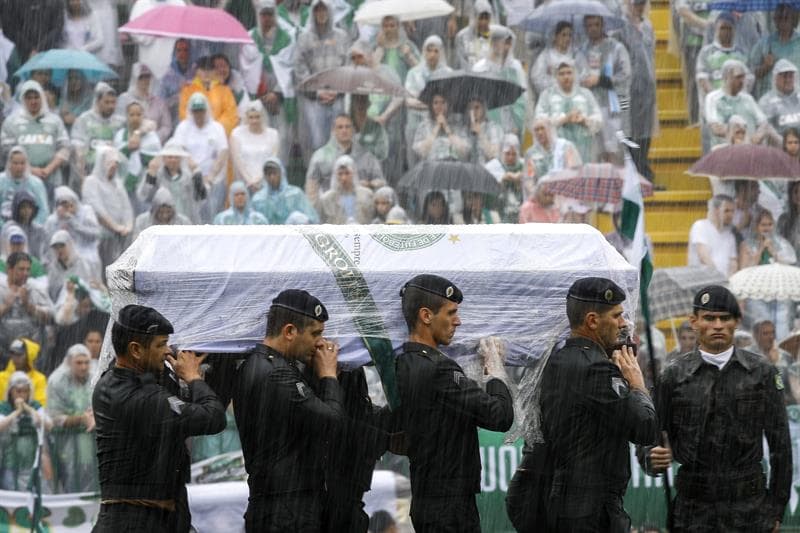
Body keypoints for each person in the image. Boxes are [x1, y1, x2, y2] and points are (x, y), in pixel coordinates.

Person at [640, 285, 791, 532]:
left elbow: (781, 448)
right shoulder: (673, 376)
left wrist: (776, 510)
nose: (718, 325)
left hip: (750, 510)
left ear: (737, 321)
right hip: (693, 511)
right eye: (709, 318)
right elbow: (649, 437)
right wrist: (651, 458)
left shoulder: (762, 373)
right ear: (694, 322)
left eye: (725, 318)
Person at [532, 277, 657, 531]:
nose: (623, 324)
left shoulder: (558, 359)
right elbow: (645, 427)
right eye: (617, 316)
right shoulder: (596, 369)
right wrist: (637, 384)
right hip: (592, 509)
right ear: (592, 321)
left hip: (563, 499)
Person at [394, 274, 513, 531]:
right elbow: (500, 416)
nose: (458, 321)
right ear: (426, 316)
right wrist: (494, 370)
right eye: (451, 313)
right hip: (449, 507)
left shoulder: (404, 363)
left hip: (429, 497)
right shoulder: (439, 370)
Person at [92, 305, 226, 532]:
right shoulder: (144, 398)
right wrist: (193, 378)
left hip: (133, 519)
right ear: (135, 350)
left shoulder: (110, 382)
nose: (168, 352)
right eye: (160, 344)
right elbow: (213, 418)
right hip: (139, 523)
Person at [231, 289, 344, 532]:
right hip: (288, 511)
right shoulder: (277, 373)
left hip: (273, 504)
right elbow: (332, 422)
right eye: (315, 334)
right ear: (289, 331)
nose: (320, 343)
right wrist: (328, 376)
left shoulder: (255, 364)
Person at [240, 0, 296, 163]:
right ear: (259, 16)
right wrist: (263, 94)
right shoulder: (250, 37)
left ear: (275, 16)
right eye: (263, 15)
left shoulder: (286, 38)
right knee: (259, 134)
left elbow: (290, 67)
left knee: (282, 137)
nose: (266, 18)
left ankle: (280, 170)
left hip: (280, 98)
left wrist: (276, 93)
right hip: (258, 97)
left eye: (270, 14)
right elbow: (247, 68)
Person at [294, 0, 349, 156]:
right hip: (313, 99)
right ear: (312, 13)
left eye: (324, 10)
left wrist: (337, 90)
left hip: (337, 97)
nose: (321, 14)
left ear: (330, 12)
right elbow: (299, 67)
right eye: (317, 11)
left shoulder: (342, 36)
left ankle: (337, 174)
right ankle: (318, 176)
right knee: (317, 142)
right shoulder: (304, 38)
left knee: (339, 139)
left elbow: (347, 65)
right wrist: (317, 91)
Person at [0, 80, 69, 191]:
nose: (33, 101)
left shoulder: (55, 120)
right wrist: (30, 170)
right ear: (22, 99)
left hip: (51, 178)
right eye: (29, 98)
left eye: (36, 97)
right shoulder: (11, 122)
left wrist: (48, 169)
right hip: (20, 181)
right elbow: (6, 152)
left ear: (42, 98)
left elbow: (65, 148)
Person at [46, 343, 97, 493]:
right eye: (79, 363)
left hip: (93, 443)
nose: (83, 367)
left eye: (86, 362)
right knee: (72, 483)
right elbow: (54, 418)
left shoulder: (95, 375)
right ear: (69, 363)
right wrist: (81, 419)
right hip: (67, 444)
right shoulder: (57, 381)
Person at [169, 93, 229, 220]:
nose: (198, 114)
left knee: (212, 216)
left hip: (213, 181)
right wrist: (196, 174)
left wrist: (210, 177)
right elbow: (180, 150)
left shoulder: (217, 128)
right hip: (189, 180)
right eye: (195, 110)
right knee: (190, 216)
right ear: (191, 111)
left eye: (201, 110)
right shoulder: (183, 127)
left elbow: (223, 153)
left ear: (206, 110)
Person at [305, 114, 384, 204]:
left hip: (361, 207)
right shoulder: (320, 156)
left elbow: (381, 183)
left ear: (353, 130)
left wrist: (369, 185)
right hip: (330, 208)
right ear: (333, 131)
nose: (344, 130)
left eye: (348, 127)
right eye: (340, 127)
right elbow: (311, 188)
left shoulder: (367, 156)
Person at [618, 0, 657, 180]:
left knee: (645, 129)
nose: (639, 7)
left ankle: (642, 165)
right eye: (636, 3)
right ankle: (634, 169)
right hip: (629, 87)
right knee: (630, 128)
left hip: (647, 86)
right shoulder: (621, 26)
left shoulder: (647, 26)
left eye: (642, 3)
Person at [535, 60, 602, 164]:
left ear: (575, 74)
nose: (566, 77)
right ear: (555, 76)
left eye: (569, 73)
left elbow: (599, 120)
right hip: (557, 152)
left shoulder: (586, 94)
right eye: (561, 74)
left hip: (583, 149)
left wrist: (584, 120)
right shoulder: (547, 95)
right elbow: (539, 121)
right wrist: (564, 119)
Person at [81, 146, 134, 269]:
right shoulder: (91, 182)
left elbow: (126, 207)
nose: (113, 167)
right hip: (99, 237)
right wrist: (115, 227)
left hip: (119, 237)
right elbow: (97, 209)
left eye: (115, 164)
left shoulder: (118, 184)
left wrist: (128, 225)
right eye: (110, 163)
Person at [405, 35, 451, 169]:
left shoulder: (448, 74)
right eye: (429, 50)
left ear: (441, 53)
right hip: (415, 122)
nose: (432, 55)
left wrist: (425, 102)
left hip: (440, 123)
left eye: (436, 51)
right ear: (423, 51)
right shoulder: (413, 73)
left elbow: (451, 99)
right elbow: (408, 101)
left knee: (437, 161)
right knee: (414, 162)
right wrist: (434, 104)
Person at [471, 26, 527, 138]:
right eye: (499, 42)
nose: (503, 47)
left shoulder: (515, 68)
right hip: (487, 128)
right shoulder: (480, 68)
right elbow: (474, 100)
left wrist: (517, 125)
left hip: (511, 127)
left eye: (507, 43)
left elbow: (522, 97)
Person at [0, 371, 51, 491]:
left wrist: (27, 409)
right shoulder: (4, 407)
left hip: (33, 463)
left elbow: (48, 424)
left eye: (25, 391)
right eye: (18, 391)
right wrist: (17, 412)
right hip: (10, 463)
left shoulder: (35, 405)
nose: (21, 395)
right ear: (11, 391)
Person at [705, 60, 769, 150]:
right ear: (726, 77)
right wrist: (742, 137)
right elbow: (716, 129)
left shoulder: (748, 98)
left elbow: (764, 123)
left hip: (749, 152)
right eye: (738, 77)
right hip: (724, 153)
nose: (742, 81)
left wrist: (758, 135)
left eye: (743, 77)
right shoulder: (713, 98)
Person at [137, 142, 206, 225]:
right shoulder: (157, 175)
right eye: (170, 157)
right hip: (162, 221)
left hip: (185, 221)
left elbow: (201, 197)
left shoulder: (188, 176)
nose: (173, 160)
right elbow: (145, 197)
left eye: (176, 157)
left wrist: (196, 174)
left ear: (181, 159)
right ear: (164, 158)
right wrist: (151, 175)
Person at [71, 82, 126, 182]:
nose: (110, 106)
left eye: (113, 102)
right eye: (107, 102)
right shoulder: (84, 119)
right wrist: (82, 171)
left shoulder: (120, 122)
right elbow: (77, 144)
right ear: (97, 102)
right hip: (88, 171)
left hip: (112, 174)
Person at [44, 186, 102, 279]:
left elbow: (95, 234)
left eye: (70, 204)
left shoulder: (86, 211)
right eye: (64, 205)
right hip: (62, 255)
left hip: (86, 251)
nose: (68, 208)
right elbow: (49, 244)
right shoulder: (52, 220)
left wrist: (74, 223)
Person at [114, 101, 162, 213]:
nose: (135, 118)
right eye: (132, 115)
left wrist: (140, 153)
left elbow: (156, 159)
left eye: (138, 115)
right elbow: (116, 156)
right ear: (127, 116)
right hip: (124, 182)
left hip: (146, 182)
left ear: (143, 116)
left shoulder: (152, 136)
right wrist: (128, 148)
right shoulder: (120, 134)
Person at [0, 254, 53, 349]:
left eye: (28, 269)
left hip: (32, 350)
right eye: (21, 269)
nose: (26, 273)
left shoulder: (36, 288)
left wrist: (28, 305)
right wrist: (5, 306)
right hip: (3, 350)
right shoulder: (1, 289)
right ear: (9, 269)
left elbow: (51, 319)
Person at [178, 56, 239, 137]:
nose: (206, 73)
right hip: (193, 135)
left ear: (214, 71)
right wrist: (199, 128)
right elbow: (184, 113)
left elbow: (231, 114)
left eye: (210, 69)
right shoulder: (187, 90)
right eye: (203, 69)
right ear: (197, 71)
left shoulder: (225, 90)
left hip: (217, 135)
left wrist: (215, 129)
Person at [749, 3, 800, 100]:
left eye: (786, 17)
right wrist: (765, 67)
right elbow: (751, 74)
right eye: (779, 18)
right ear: (775, 20)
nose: (783, 21)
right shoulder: (765, 43)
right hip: (770, 99)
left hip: (797, 98)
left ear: (793, 19)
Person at [116, 63, 173, 145]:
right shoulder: (124, 99)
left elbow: (167, 126)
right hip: (129, 143)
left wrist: (153, 138)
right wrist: (133, 135)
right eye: (141, 77)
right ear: (135, 78)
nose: (145, 80)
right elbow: (119, 122)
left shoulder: (159, 102)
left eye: (147, 77)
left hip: (153, 145)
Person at [251, 158, 319, 225]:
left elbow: (312, 218)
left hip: (292, 233)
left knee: (296, 217)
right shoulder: (258, 198)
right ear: (265, 176)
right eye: (268, 174)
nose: (272, 177)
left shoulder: (295, 194)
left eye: (274, 173)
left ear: (281, 173)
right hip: (267, 234)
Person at [229, 100, 279, 190]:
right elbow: (238, 160)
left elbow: (272, 159)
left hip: (266, 182)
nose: (254, 121)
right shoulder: (237, 134)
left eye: (257, 117)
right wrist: (250, 181)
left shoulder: (273, 134)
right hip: (244, 183)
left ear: (262, 116)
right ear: (246, 118)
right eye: (251, 117)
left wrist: (259, 180)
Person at [688, 194, 738, 277]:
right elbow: (703, 256)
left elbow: (733, 261)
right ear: (715, 210)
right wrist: (717, 277)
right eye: (726, 211)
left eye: (733, 211)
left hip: (723, 283)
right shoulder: (700, 226)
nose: (731, 215)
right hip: (702, 281)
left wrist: (729, 278)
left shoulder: (730, 235)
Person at [524, 117, 582, 188]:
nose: (540, 132)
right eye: (536, 130)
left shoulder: (566, 147)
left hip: (565, 192)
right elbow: (529, 179)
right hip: (543, 195)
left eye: (542, 128)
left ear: (550, 129)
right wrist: (536, 193)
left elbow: (574, 172)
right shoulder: (531, 153)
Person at [316, 155, 375, 224]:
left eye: (347, 173)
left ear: (354, 173)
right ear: (335, 175)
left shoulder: (366, 195)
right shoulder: (327, 199)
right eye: (340, 174)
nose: (344, 178)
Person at [412, 92, 469, 162]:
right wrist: (436, 128)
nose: (439, 106)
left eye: (443, 102)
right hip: (431, 166)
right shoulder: (423, 126)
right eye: (436, 103)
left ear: (448, 104)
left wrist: (447, 128)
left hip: (453, 166)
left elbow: (464, 151)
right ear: (431, 106)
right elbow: (421, 152)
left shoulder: (458, 124)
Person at [0, 146, 49, 225]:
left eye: (22, 163)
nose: (19, 167)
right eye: (15, 163)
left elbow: (43, 210)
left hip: (30, 227)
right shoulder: (1, 181)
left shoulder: (36, 183)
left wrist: (32, 227)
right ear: (9, 164)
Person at [46, 229, 98, 303]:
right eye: (55, 247)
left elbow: (88, 289)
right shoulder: (53, 268)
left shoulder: (82, 264)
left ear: (69, 245)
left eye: (62, 246)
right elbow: (51, 292)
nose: (59, 250)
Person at [530, 21, 579, 96]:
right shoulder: (546, 55)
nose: (567, 38)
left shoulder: (576, 54)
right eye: (564, 35)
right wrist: (556, 85)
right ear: (555, 36)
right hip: (552, 98)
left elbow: (584, 75)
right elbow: (536, 77)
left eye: (570, 35)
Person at [484, 134, 523, 223]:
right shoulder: (493, 166)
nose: (510, 157)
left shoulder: (522, 165)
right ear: (502, 152)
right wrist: (505, 178)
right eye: (507, 154)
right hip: (497, 209)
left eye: (514, 154)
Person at [759, 59, 800, 138]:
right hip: (779, 146)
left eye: (790, 76)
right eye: (784, 76)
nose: (788, 80)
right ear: (775, 78)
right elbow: (764, 129)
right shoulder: (766, 102)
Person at [0, 338, 48, 405]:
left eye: (19, 355)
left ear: (29, 356)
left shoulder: (39, 379)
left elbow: (41, 405)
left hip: (29, 414)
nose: (15, 358)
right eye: (13, 354)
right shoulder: (1, 377)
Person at [160, 39, 196, 124]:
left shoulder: (196, 73)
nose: (182, 53)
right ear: (175, 52)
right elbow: (160, 104)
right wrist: (177, 97)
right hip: (174, 123)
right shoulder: (167, 77)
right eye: (179, 50)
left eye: (185, 50)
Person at [454, 0, 495, 70]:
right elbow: (461, 61)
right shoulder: (462, 36)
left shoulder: (495, 36)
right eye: (481, 18)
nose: (484, 22)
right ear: (474, 17)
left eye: (486, 18)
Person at [11, 190, 47, 260]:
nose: (27, 210)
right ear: (16, 208)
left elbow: (44, 253)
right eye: (23, 207)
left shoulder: (39, 230)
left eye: (30, 207)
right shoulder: (10, 228)